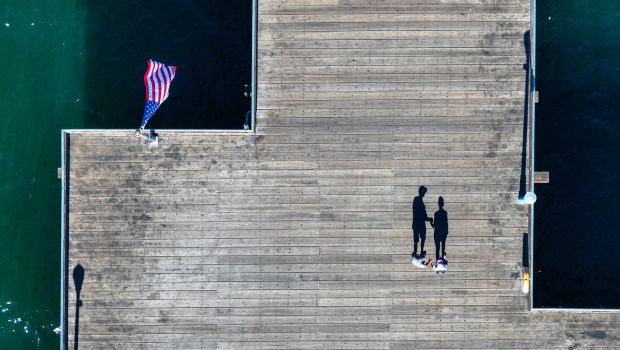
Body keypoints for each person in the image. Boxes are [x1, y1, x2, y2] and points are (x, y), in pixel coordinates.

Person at [412, 186, 432, 258]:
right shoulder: (418, 200)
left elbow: (424, 216)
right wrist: (429, 219)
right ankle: (418, 253)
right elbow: (422, 215)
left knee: (418, 239)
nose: (424, 194)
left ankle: (417, 253)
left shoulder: (417, 200)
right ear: (421, 192)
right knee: (419, 239)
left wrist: (429, 219)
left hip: (417, 224)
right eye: (424, 192)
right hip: (419, 224)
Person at [431, 196, 449, 262]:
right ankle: (443, 261)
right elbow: (446, 223)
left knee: (437, 249)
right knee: (443, 249)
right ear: (443, 203)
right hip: (443, 232)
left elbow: (434, 226)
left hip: (437, 233)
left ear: (438, 204)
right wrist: (446, 232)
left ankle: (437, 263)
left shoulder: (436, 214)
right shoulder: (445, 213)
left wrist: (431, 221)